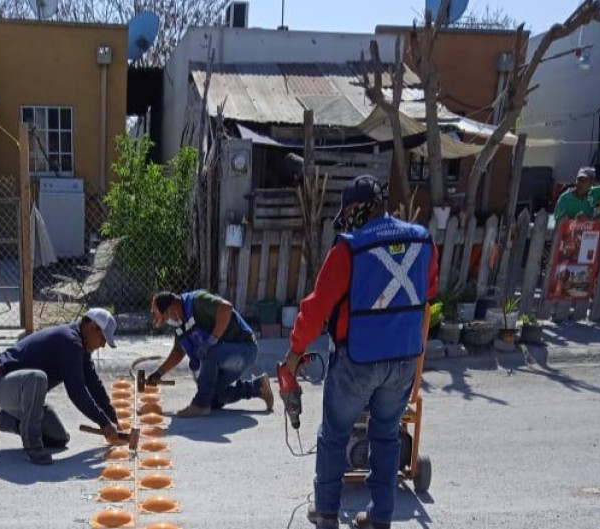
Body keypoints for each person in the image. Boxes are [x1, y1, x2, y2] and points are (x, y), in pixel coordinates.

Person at [286, 175, 438, 529]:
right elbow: (428, 291)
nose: (347, 218)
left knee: (335, 434)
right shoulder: (421, 240)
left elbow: (317, 307)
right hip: (403, 359)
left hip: (358, 359)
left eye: (349, 211)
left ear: (360, 208)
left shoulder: (349, 248)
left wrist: (295, 352)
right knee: (385, 436)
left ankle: (326, 513)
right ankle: (380, 517)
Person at [0, 308, 122, 465]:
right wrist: (104, 424)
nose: (102, 345)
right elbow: (77, 391)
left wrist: (113, 419)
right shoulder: (69, 341)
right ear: (92, 326)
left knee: (58, 438)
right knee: (37, 378)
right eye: (102, 338)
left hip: (22, 395)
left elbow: (93, 383)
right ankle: (32, 448)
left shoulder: (81, 344)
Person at [147, 290, 273, 418]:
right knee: (212, 395)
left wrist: (212, 339)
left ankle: (200, 406)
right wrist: (159, 373)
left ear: (173, 306)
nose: (169, 321)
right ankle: (258, 387)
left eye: (166, 316)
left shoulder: (198, 301)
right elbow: (178, 351)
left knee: (208, 351)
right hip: (224, 358)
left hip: (245, 349)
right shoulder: (181, 326)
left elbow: (226, 308)